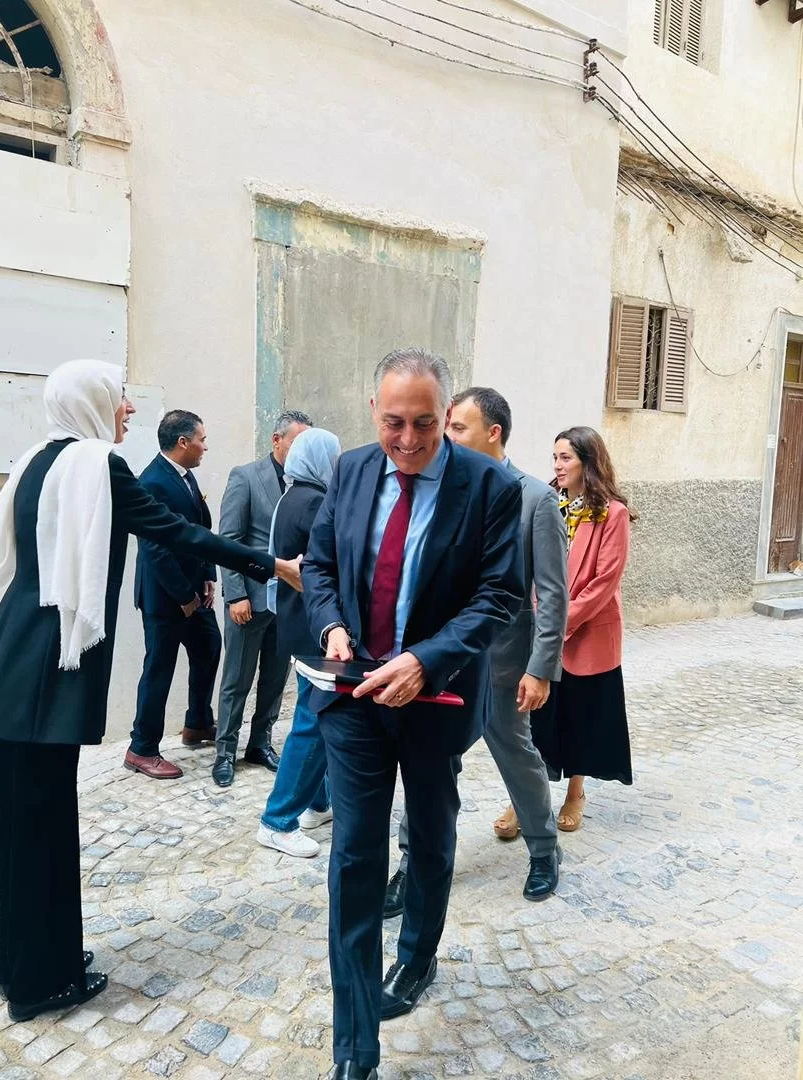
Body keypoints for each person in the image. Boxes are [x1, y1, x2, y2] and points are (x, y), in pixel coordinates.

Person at [0, 360, 301, 1023]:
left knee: (19, 828)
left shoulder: (36, 464)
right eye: (119, 396)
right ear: (89, 401)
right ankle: (42, 983)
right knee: (41, 826)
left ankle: (26, 966)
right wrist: (271, 565)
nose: (128, 408)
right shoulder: (96, 466)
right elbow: (176, 532)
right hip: (47, 666)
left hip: (12, 653)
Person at [301, 348, 524, 1080]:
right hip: (355, 698)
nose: (407, 439)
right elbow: (320, 564)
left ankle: (418, 956)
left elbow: (498, 594)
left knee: (428, 837)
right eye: (393, 422)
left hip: (437, 699)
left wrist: (427, 659)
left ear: (446, 413)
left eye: (425, 424)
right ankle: (355, 1049)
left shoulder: (490, 486)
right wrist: (332, 624)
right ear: (374, 411)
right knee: (354, 854)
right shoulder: (351, 470)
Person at [385, 387, 568, 915]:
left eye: (458, 427)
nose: (446, 436)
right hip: (443, 661)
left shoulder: (535, 499)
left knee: (516, 755)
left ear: (493, 432)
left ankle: (544, 850)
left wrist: (541, 668)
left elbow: (552, 592)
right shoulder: (440, 488)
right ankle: (412, 863)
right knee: (430, 763)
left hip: (505, 663)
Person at [533, 425, 634, 832]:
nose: (557, 466)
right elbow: (533, 566)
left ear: (587, 463)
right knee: (536, 717)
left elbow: (604, 581)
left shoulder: (612, 513)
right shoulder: (547, 504)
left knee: (581, 716)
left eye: (566, 458)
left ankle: (575, 792)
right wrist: (539, 615)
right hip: (544, 627)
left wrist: (559, 621)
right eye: (555, 457)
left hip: (588, 632)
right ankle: (527, 796)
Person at [212, 410, 313, 788]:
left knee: (274, 679)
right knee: (236, 679)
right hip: (249, 600)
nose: (301, 450)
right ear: (277, 440)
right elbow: (229, 540)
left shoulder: (305, 483)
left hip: (286, 603)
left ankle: (260, 743)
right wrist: (235, 594)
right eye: (296, 442)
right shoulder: (246, 477)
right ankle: (225, 751)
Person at [256, 427, 341, 856]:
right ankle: (277, 820)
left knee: (318, 716)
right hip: (315, 627)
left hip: (297, 623)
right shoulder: (314, 501)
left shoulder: (292, 495)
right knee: (311, 721)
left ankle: (317, 803)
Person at [126, 410, 224, 779]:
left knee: (209, 648)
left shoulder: (185, 475)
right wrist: (184, 596)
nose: (205, 446)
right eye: (202, 439)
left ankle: (197, 722)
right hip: (165, 598)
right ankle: (141, 748)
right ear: (183, 442)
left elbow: (199, 530)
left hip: (195, 591)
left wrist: (208, 575)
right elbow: (154, 549)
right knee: (159, 669)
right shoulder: (152, 482)